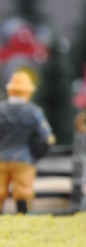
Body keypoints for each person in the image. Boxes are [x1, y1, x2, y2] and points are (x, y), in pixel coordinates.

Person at [0, 71, 54, 214]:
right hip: (24, 158)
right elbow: (47, 138)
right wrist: (36, 154)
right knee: (23, 191)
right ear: (28, 92)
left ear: (10, 90)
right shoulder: (34, 112)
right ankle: (22, 216)